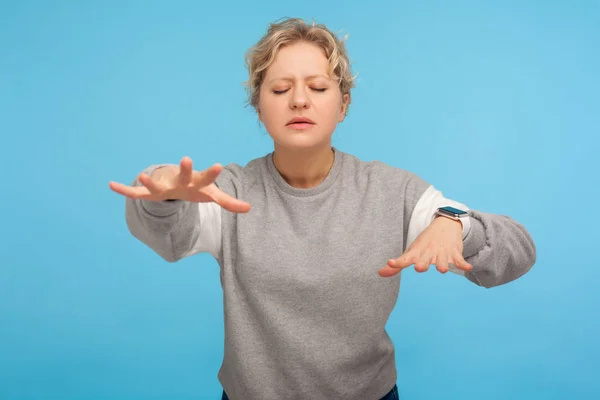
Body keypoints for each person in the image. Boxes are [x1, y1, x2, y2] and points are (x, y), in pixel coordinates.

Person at [109, 17, 536, 400]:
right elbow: (167, 236)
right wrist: (164, 193)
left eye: (317, 87)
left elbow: (518, 249)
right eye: (280, 89)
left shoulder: (392, 191)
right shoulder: (229, 192)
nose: (299, 100)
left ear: (343, 104)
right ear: (259, 106)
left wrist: (457, 224)